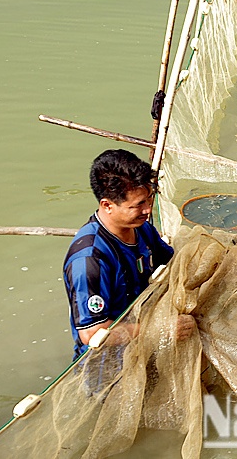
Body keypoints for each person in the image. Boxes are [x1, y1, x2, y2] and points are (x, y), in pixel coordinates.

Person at [63, 149, 194, 360]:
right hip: (106, 367)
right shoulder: (89, 260)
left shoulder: (141, 228)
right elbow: (92, 333)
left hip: (143, 345)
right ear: (107, 205)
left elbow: (176, 263)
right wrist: (158, 329)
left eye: (149, 200)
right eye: (138, 205)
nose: (147, 210)